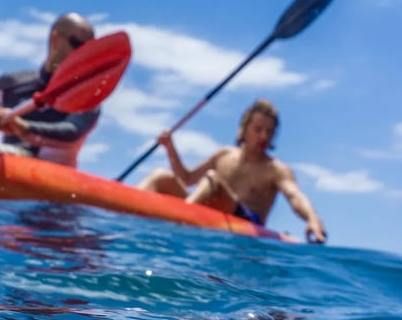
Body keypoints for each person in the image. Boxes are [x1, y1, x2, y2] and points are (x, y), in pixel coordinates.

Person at [137, 99, 327, 243]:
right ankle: (117, 222)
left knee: (213, 180)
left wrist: (313, 219)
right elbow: (187, 179)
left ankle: (173, 231)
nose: (263, 136)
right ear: (244, 129)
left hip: (246, 226)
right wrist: (170, 147)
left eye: (269, 132)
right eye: (258, 129)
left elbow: (295, 196)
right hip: (207, 211)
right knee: (160, 176)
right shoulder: (224, 155)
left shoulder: (275, 169)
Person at [0, 12, 98, 168]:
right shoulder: (11, 83)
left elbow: (73, 131)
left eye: (90, 49)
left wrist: (23, 127)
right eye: (79, 45)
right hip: (7, 164)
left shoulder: (90, 94)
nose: (84, 54)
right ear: (55, 40)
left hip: (51, 177)